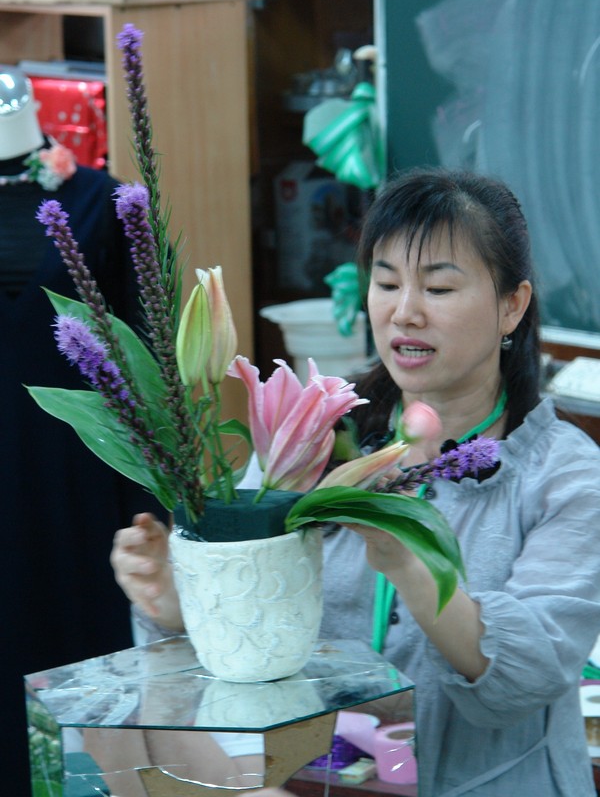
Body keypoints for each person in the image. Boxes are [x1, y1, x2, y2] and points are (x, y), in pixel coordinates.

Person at [111, 168, 600, 796]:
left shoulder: (566, 474)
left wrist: (409, 562)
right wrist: (181, 604)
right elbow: (248, 632)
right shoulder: (312, 431)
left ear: (512, 304)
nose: (404, 312)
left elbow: (526, 677)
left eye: (439, 287)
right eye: (386, 282)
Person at [0, 67, 167, 795]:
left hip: (78, 503)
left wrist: (158, 518)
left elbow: (152, 380)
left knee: (85, 714)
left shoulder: (105, 204)